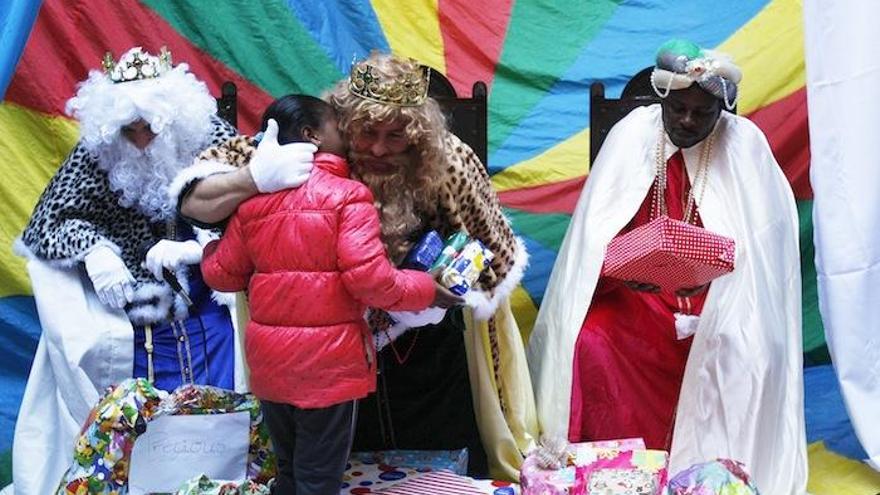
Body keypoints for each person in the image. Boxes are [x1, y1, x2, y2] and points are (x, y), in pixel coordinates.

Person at [171, 52, 536, 479]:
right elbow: (192, 201)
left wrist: (436, 298)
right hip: (322, 354)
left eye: (396, 136)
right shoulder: (301, 146)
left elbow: (493, 254)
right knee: (331, 471)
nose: (379, 148)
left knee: (439, 471)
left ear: (418, 137)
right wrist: (252, 178)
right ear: (341, 124)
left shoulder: (449, 159)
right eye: (367, 132)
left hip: (424, 355)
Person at [527, 40, 807, 493]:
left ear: (722, 109)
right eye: (677, 109)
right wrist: (622, 269)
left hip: (720, 300)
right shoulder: (631, 135)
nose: (687, 121)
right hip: (636, 299)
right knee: (593, 340)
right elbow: (592, 240)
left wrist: (711, 283)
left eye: (702, 113)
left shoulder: (745, 146)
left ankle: (709, 475)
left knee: (747, 350)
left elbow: (764, 259)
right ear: (664, 100)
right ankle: (613, 470)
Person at [11, 47, 252, 495]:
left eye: (151, 127)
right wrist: (95, 251)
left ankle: (223, 477)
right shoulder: (97, 153)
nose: (141, 139)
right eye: (129, 129)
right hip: (130, 301)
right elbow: (48, 222)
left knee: (228, 354)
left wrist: (202, 249)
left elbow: (258, 202)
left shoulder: (210, 136)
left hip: (204, 287)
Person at [201, 94, 460, 494]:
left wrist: (205, 249)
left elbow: (221, 274)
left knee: (288, 473)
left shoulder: (252, 204)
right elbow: (372, 281)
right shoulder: (348, 196)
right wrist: (427, 288)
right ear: (311, 136)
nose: (351, 136)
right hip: (328, 367)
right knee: (318, 480)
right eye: (338, 127)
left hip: (271, 367)